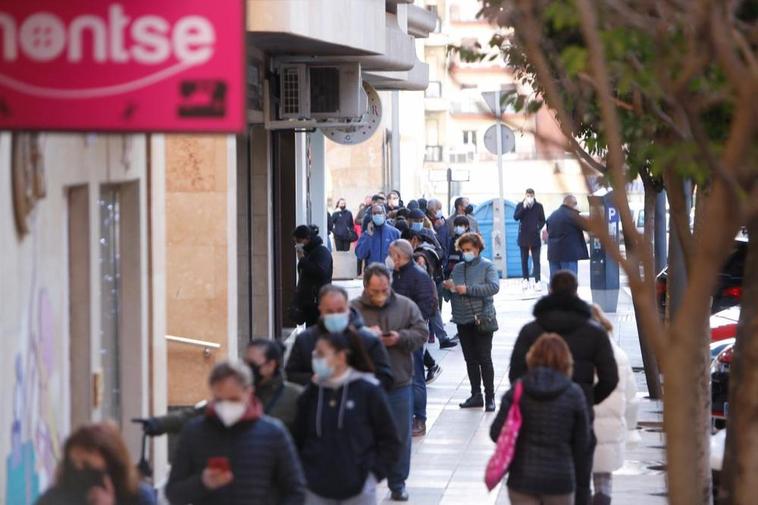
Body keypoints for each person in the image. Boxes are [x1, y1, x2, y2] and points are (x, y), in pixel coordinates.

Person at [508, 270, 618, 505]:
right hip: (579, 414)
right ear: (576, 291)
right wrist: (588, 398)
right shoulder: (594, 332)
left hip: (534, 415)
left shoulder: (531, 331)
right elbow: (610, 377)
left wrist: (529, 395)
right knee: (579, 481)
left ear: (550, 291)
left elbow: (515, 374)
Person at [166, 361, 306, 505]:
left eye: (233, 399)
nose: (226, 405)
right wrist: (203, 483)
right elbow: (173, 493)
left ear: (249, 392)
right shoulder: (193, 433)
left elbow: (295, 490)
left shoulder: (274, 433)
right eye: (220, 400)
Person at [293, 330, 401, 505]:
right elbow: (297, 437)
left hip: (358, 488)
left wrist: (372, 476)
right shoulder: (310, 394)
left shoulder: (368, 391)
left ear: (341, 357)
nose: (316, 359)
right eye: (315, 354)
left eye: (321, 354)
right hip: (314, 488)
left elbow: (390, 439)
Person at [351, 263, 428, 502]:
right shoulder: (353, 309)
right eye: (375, 291)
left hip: (398, 381)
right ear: (366, 287)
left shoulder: (405, 306)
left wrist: (399, 338)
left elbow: (421, 332)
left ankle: (398, 482)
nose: (381, 295)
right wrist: (364, 335)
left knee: (399, 436)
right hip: (364, 383)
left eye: (384, 289)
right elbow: (340, 340)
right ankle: (362, 480)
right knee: (361, 435)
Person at [491, 334, 590, 505]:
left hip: (522, 479)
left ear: (533, 357)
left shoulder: (518, 390)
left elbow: (496, 433)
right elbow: (583, 443)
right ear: (566, 360)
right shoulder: (574, 393)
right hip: (560, 480)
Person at [286, 284, 394, 391]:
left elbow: (385, 378)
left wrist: (358, 385)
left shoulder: (368, 340)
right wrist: (313, 380)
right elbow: (290, 375)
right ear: (320, 310)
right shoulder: (305, 339)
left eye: (340, 310)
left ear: (348, 308)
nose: (335, 315)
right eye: (330, 311)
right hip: (317, 403)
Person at [443, 232, 500, 412]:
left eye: (469, 249)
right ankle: (476, 395)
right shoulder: (458, 268)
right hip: (462, 319)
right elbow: (450, 294)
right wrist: (447, 288)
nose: (465, 253)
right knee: (470, 359)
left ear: (477, 249)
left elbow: (493, 287)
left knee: (484, 358)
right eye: (463, 250)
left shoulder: (487, 266)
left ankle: (490, 396)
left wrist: (467, 289)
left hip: (481, 318)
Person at [388, 240, 439, 437]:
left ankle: (420, 418)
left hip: (412, 334)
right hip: (396, 333)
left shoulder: (418, 275)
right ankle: (404, 417)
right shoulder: (396, 275)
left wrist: (408, 322)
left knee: (416, 377)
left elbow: (428, 305)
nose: (391, 259)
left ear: (401, 256)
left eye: (393, 255)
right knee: (402, 377)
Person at [36, 422, 156, 505]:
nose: (80, 472)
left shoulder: (139, 497)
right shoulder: (55, 498)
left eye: (87, 465)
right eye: (73, 464)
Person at [590, 305, 639, 505]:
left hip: (581, 425)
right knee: (603, 478)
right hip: (610, 428)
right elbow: (632, 398)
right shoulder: (619, 355)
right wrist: (631, 429)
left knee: (579, 477)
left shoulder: (574, 352)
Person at [245, 339, 304, 434]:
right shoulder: (241, 393)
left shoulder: (296, 396)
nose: (246, 369)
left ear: (271, 365)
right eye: (245, 363)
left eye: (252, 364)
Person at [292, 224, 333, 327]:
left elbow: (320, 271)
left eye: (299, 241)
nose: (297, 245)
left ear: (307, 239)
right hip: (308, 303)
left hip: (318, 302)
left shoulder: (322, 252)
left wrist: (302, 260)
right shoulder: (308, 253)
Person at [546, 195, 589, 279]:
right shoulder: (572, 215)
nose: (576, 205)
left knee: (555, 282)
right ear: (571, 204)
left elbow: (549, 230)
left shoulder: (553, 215)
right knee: (569, 281)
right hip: (568, 255)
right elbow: (588, 227)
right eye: (575, 203)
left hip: (553, 254)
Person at [514, 188, 546, 291]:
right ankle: (525, 280)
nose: (530, 197)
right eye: (528, 195)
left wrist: (538, 228)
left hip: (535, 237)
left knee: (536, 260)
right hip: (523, 236)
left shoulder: (539, 206)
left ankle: (537, 281)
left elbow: (542, 220)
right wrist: (524, 207)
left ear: (534, 195)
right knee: (524, 260)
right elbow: (516, 217)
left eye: (531, 195)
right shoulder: (520, 205)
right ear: (525, 195)